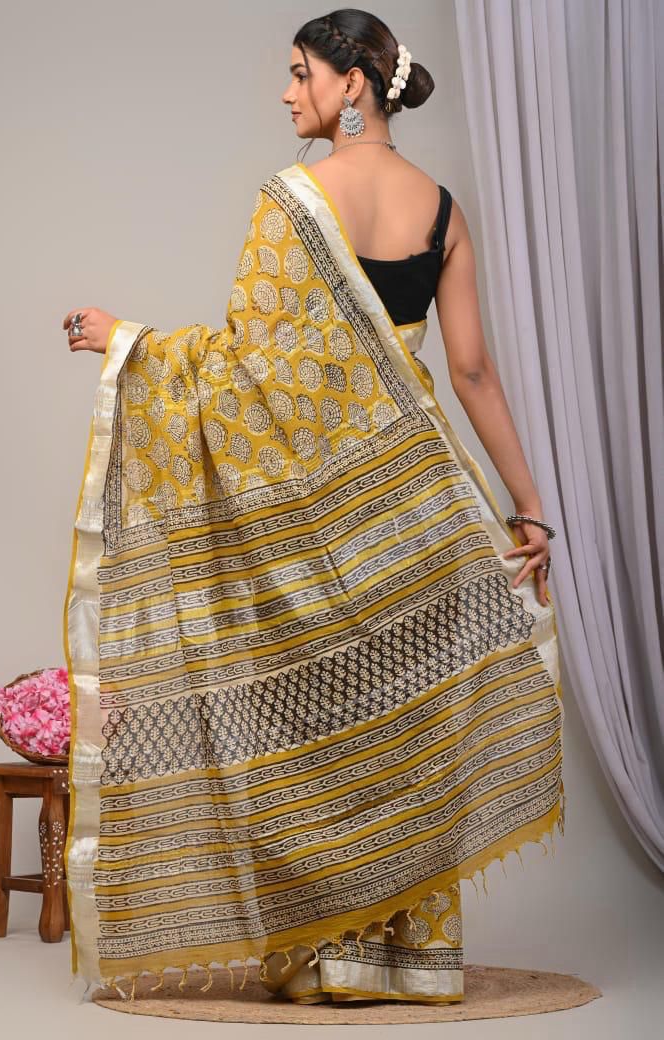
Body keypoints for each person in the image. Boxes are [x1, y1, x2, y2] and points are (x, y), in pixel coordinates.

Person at [62, 8, 564, 1008]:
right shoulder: (443, 209)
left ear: (353, 85)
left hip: (316, 525)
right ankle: (408, 962)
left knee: (322, 733)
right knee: (406, 732)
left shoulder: (291, 200)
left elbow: (249, 369)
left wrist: (129, 342)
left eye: (301, 74)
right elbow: (470, 371)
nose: (287, 93)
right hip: (416, 508)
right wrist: (529, 508)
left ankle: (328, 956)